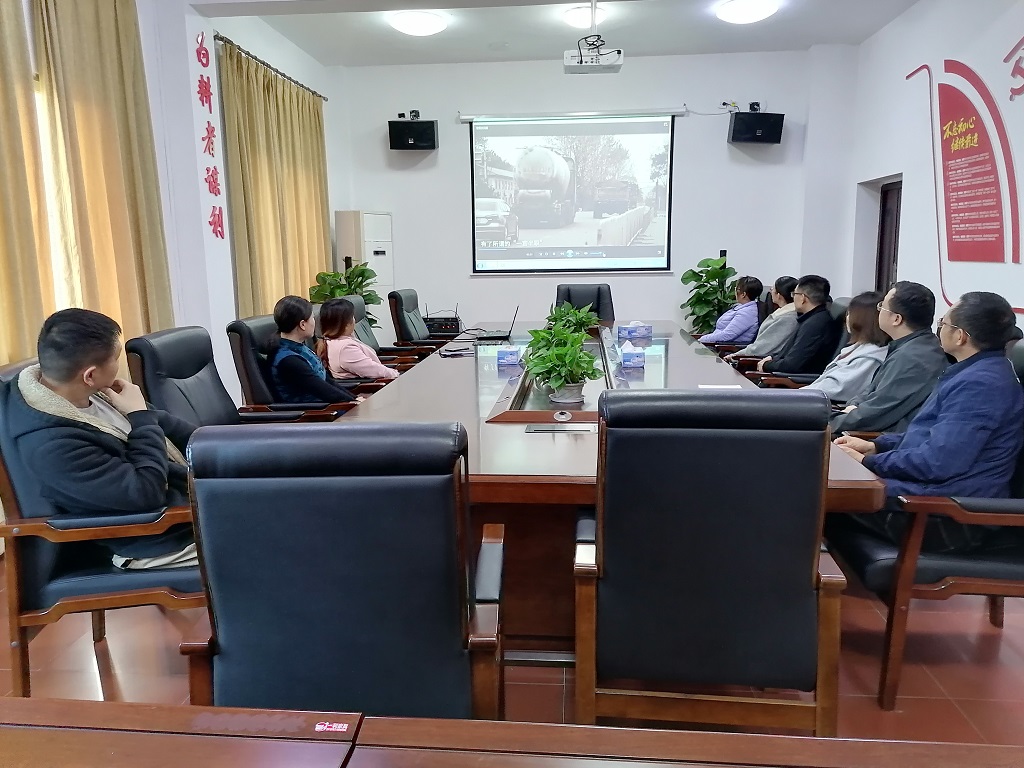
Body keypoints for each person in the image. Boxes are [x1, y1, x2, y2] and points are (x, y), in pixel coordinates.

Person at [832, 292, 1024, 554]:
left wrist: (868, 462)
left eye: (943, 323)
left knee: (815, 497)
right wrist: (877, 446)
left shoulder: (981, 385)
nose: (939, 328)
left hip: (946, 515)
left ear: (960, 336)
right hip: (931, 494)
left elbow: (937, 462)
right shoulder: (974, 372)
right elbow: (930, 437)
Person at [5, 309, 197, 569]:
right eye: (115, 359)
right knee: (256, 540)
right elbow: (145, 493)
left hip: (191, 507)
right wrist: (140, 416)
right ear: (90, 375)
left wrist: (229, 449)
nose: (119, 367)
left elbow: (172, 429)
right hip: (160, 538)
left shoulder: (89, 393)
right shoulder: (53, 445)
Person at [831, 282, 948, 433]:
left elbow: (874, 414)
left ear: (896, 319)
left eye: (881, 306)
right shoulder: (909, 346)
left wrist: (827, 422)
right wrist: (853, 405)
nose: (878, 311)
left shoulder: (914, 358)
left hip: (881, 438)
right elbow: (871, 392)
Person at [270, 296, 360, 404]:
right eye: (312, 318)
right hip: (314, 411)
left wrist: (355, 399)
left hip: (326, 405)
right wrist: (352, 403)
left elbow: (327, 381)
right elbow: (324, 390)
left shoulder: (299, 348)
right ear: (302, 324)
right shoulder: (289, 360)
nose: (314, 322)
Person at [802, 291, 888, 402]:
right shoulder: (858, 348)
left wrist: (793, 395)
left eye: (849, 314)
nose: (847, 318)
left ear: (861, 320)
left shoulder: (869, 358)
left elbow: (834, 388)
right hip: (811, 398)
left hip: (824, 405)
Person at [756, 275, 841, 375]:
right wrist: (772, 358)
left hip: (797, 381)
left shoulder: (814, 325)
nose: (792, 297)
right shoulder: (812, 318)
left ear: (803, 298)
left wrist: (766, 365)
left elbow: (791, 365)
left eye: (794, 294)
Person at [318, 297, 399, 381]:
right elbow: (373, 370)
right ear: (346, 325)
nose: (354, 320)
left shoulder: (332, 340)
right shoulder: (346, 349)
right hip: (372, 386)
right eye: (352, 317)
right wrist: (396, 374)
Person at [725, 276, 799, 360]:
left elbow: (760, 348)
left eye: (772, 289)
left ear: (778, 295)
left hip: (759, 361)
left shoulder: (786, 319)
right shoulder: (785, 313)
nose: (770, 291)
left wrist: (735, 355)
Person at [699, 276, 763, 345]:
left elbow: (727, 335)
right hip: (716, 343)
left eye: (736, 289)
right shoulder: (742, 307)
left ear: (743, 294)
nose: (735, 291)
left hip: (724, 347)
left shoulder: (747, 313)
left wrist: (701, 340)